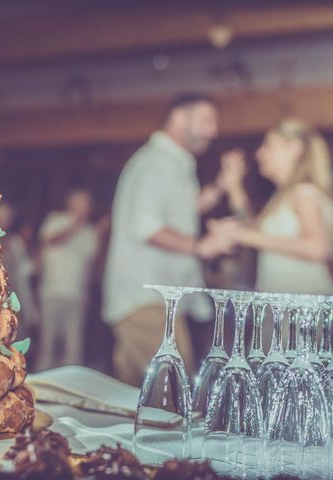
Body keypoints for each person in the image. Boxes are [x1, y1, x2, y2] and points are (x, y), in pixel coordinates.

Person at [103, 93, 234, 386]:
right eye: (206, 121)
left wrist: (220, 188)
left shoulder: (173, 162)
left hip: (155, 298)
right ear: (177, 118)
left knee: (138, 392)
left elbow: (180, 211)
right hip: (144, 297)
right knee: (171, 392)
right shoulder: (156, 162)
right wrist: (200, 247)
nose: (212, 130)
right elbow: (145, 225)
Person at [212, 118, 333, 296]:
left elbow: (317, 248)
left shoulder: (304, 193)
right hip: (284, 301)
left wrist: (243, 235)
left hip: (302, 306)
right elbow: (256, 231)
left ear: (294, 149)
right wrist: (234, 187)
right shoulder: (285, 195)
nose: (259, 154)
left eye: (268, 146)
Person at [37, 189, 98, 370]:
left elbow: (89, 265)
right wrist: (75, 225)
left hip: (76, 295)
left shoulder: (90, 231)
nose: (85, 208)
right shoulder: (54, 220)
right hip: (52, 291)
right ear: (71, 203)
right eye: (81, 203)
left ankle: (69, 392)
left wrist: (86, 291)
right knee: (47, 343)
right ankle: (42, 388)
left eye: (88, 204)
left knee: (73, 348)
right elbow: (52, 240)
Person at [0, 203, 40, 338]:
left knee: (15, 335)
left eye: (7, 218)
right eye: (1, 217)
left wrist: (37, 261)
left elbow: (24, 269)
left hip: (14, 297)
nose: (4, 221)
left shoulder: (15, 242)